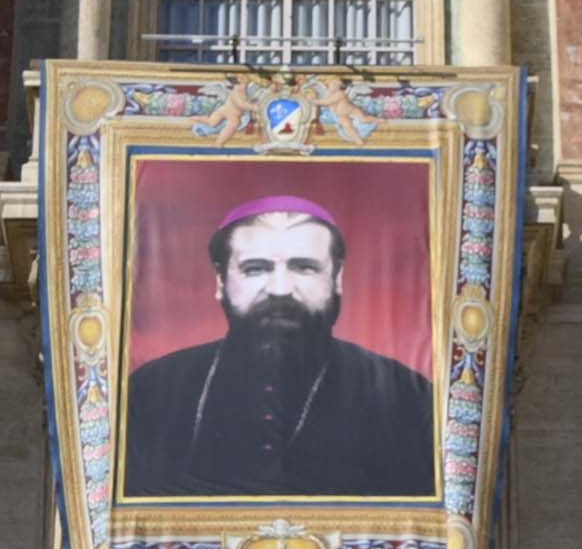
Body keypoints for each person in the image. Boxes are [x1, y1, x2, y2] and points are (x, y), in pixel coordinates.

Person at [117, 198, 438, 502]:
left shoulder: (407, 396)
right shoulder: (151, 390)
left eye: (304, 267)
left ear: (337, 279)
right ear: (220, 281)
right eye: (256, 268)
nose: (280, 289)